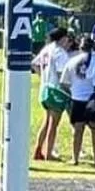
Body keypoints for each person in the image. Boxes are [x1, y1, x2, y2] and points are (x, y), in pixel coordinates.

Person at [65, 34, 95, 167]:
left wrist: (74, 89)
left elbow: (64, 82)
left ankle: (75, 158)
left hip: (77, 99)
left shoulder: (72, 61)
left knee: (78, 131)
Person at [33, 27, 73, 162]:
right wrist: (69, 89)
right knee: (53, 124)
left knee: (46, 121)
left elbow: (35, 64)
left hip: (45, 88)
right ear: (62, 38)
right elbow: (63, 74)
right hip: (56, 90)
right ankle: (48, 153)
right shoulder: (60, 52)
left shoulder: (47, 48)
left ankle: (38, 150)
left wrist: (43, 78)